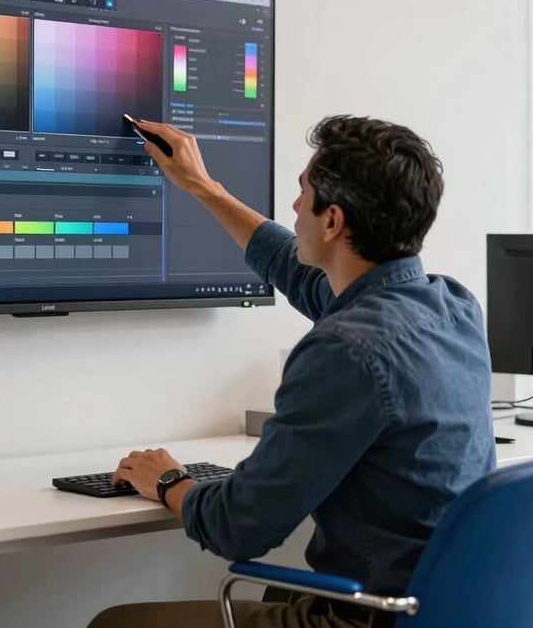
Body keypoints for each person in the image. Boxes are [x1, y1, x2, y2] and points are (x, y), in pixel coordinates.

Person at [87, 115, 495, 628]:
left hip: (376, 617)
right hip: (454, 606)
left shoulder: (346, 348)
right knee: (281, 586)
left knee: (119, 623)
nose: (295, 206)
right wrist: (203, 187)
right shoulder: (452, 305)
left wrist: (169, 479)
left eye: (303, 193)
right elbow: (294, 269)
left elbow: (237, 528)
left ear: (333, 222)